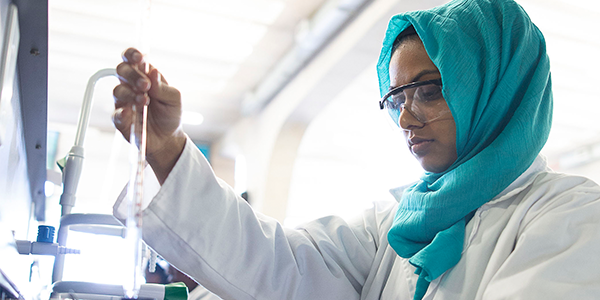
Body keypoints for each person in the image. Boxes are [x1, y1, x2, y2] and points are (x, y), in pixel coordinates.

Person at [111, 0, 600, 299]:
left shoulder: (569, 217)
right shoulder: (398, 224)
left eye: (428, 90)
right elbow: (280, 267)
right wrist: (167, 149)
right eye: (396, 97)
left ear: (495, 88)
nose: (406, 118)